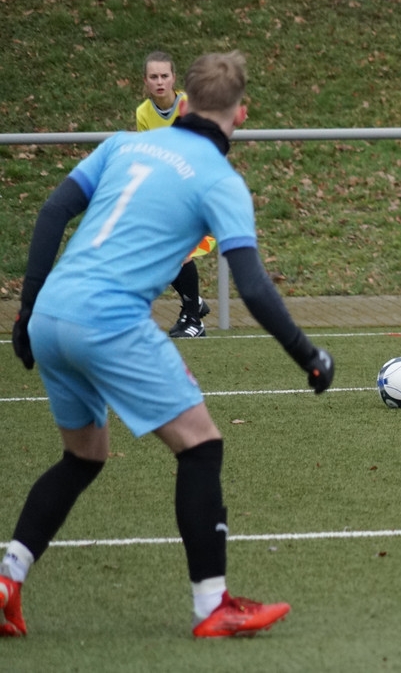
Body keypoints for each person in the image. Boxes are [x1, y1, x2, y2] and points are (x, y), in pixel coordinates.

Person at [3, 51, 334, 638]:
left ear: (183, 102)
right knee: (200, 446)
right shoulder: (218, 178)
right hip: (109, 320)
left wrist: (27, 310)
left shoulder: (122, 145)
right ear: (242, 113)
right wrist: (309, 355)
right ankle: (213, 606)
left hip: (53, 311)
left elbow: (53, 211)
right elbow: (252, 284)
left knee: (83, 457)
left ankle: (7, 579)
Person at [137, 50, 215, 339]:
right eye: (154, 77)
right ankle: (193, 302)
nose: (160, 82)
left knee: (181, 252)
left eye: (164, 76)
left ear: (174, 79)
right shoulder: (143, 113)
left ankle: (194, 319)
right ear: (145, 81)